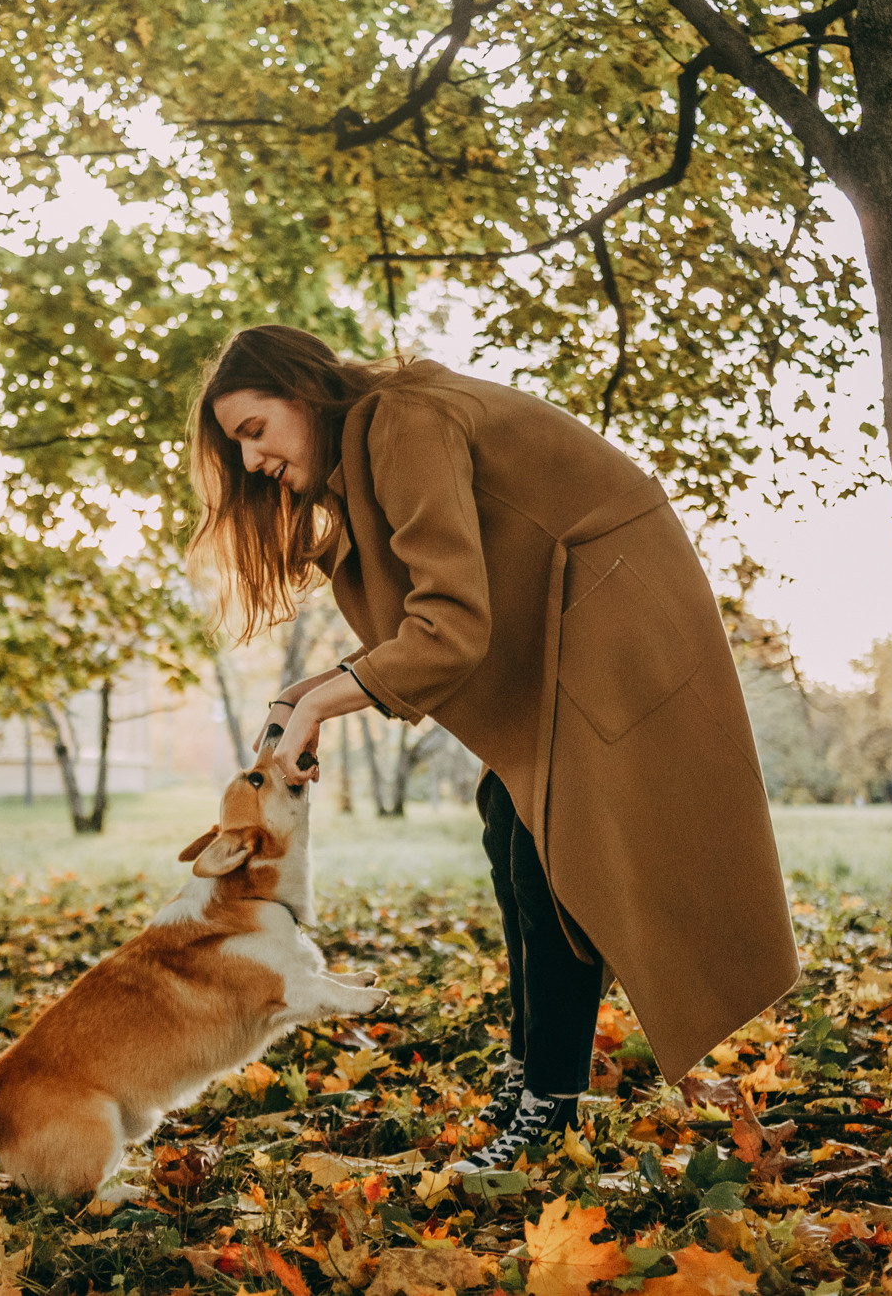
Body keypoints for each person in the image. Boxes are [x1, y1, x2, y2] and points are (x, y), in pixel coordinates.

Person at [186, 326, 798, 1172]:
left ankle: (550, 1099)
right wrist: (300, 696)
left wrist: (320, 703)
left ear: (304, 389)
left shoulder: (397, 423)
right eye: (237, 445)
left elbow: (450, 629)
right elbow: (434, 616)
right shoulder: (372, 444)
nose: (250, 461)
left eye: (254, 429)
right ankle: (533, 1072)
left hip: (606, 608)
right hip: (563, 613)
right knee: (508, 825)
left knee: (554, 847)